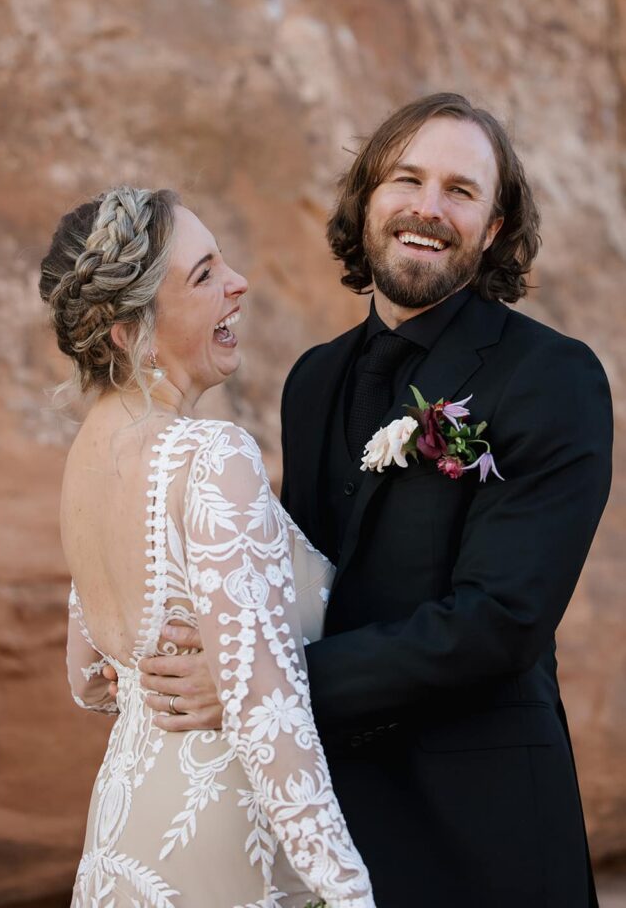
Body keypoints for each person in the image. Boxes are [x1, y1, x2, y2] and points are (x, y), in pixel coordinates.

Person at [133, 94, 613, 908]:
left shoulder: (551, 376)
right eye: (406, 179)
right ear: (366, 202)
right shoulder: (312, 378)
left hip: (483, 832)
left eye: (461, 191)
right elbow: (308, 585)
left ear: (493, 228)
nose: (428, 207)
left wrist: (260, 689)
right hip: (332, 819)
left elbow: (499, 621)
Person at [40, 187, 376, 908]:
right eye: (203, 275)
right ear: (129, 333)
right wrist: (346, 890)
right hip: (225, 844)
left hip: (125, 836)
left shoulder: (83, 463)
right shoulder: (209, 452)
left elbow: (89, 679)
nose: (238, 284)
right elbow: (267, 714)